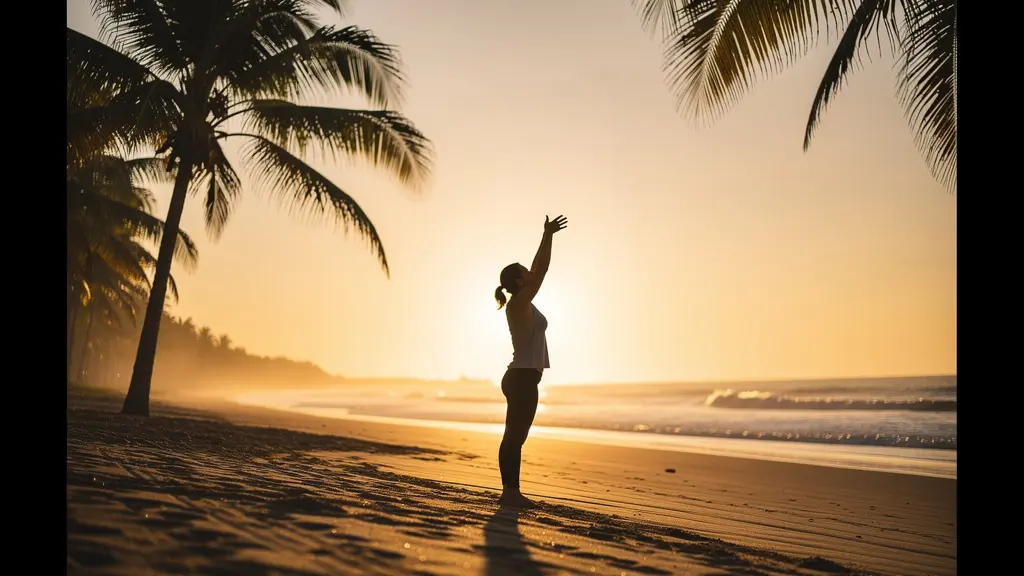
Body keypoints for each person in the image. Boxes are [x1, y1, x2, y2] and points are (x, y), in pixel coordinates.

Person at [493, 214, 568, 508]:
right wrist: (548, 235)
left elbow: (537, 269)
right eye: (526, 272)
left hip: (524, 378)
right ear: (519, 281)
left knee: (516, 436)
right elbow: (543, 269)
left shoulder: (525, 304)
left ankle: (511, 491)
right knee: (514, 436)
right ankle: (509, 493)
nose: (531, 273)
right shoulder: (519, 304)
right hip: (522, 379)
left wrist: (547, 235)